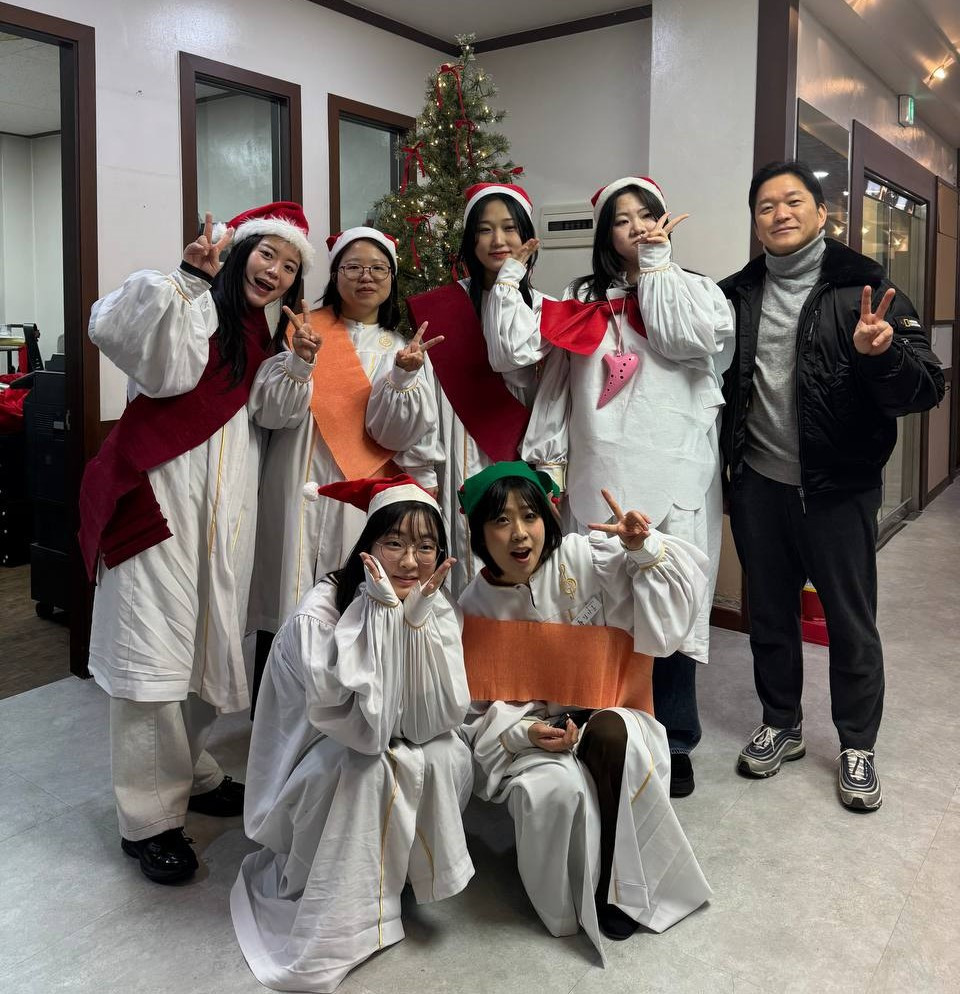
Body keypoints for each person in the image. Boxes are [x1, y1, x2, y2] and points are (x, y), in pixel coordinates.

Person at [78, 202, 321, 882]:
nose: (275, 271)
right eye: (267, 254)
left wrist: (297, 364)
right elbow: (152, 360)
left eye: (290, 265)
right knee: (153, 661)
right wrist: (188, 279)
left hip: (223, 520)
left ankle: (191, 769)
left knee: (207, 648)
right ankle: (149, 821)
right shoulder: (189, 306)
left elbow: (272, 414)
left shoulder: (261, 338)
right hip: (157, 505)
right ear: (238, 253)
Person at [719, 160, 945, 811]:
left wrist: (883, 355)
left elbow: (926, 386)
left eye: (794, 201)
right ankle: (781, 723)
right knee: (770, 614)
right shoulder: (737, 295)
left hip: (838, 488)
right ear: (756, 221)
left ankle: (857, 745)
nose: (780, 213)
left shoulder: (863, 287)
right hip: (760, 486)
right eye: (766, 205)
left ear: (822, 214)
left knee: (850, 621)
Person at [523, 176, 734, 796]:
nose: (639, 227)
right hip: (601, 473)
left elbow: (682, 339)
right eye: (623, 219)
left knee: (671, 600)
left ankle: (675, 738)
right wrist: (549, 461)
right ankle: (598, 726)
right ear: (605, 233)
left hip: (676, 474)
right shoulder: (582, 296)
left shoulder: (696, 290)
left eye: (649, 215)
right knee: (599, 604)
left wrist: (658, 267)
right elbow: (556, 385)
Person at [457, 462, 711, 953]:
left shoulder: (585, 555)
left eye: (529, 515)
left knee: (615, 736)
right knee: (554, 787)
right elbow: (475, 713)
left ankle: (616, 889)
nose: (519, 532)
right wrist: (527, 733)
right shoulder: (475, 606)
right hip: (537, 737)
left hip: (612, 711)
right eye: (501, 520)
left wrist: (642, 549)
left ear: (547, 518)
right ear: (480, 533)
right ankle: (580, 892)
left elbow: (673, 613)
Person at [232, 476, 473, 993]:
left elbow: (435, 718)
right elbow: (365, 731)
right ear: (368, 546)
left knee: (447, 753)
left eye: (425, 546)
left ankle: (398, 874)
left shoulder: (433, 604)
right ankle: (352, 911)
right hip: (319, 756)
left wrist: (414, 622)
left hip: (386, 735)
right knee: (371, 769)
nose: (409, 561)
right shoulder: (319, 618)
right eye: (394, 543)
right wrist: (385, 619)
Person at [247, 226, 443, 696]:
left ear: (392, 278)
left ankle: (349, 713)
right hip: (297, 480)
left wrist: (402, 377)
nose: (365, 276)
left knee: (353, 602)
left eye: (378, 268)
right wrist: (299, 362)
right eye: (353, 266)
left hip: (363, 497)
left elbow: (398, 437)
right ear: (335, 275)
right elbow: (271, 414)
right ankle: (277, 715)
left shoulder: (404, 349)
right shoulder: (302, 331)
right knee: (290, 599)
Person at [407, 183, 553, 595]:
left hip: (521, 448)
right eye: (485, 230)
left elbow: (534, 376)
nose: (498, 240)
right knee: (463, 554)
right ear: (471, 241)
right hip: (457, 445)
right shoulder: (443, 308)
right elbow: (427, 392)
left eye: (509, 228)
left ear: (527, 235)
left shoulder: (545, 307)